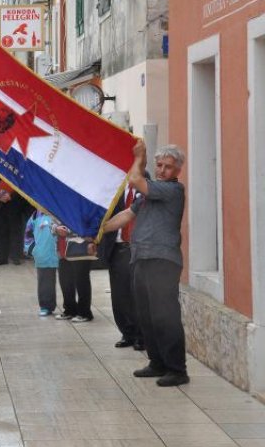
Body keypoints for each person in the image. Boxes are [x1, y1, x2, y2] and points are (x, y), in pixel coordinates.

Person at [104, 140, 188, 387]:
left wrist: (139, 158)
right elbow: (127, 215)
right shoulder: (147, 194)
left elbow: (135, 181)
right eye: (159, 165)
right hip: (140, 257)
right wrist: (99, 230)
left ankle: (177, 369)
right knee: (146, 315)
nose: (162, 170)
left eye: (168, 167)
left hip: (163, 260)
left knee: (166, 315)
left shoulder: (173, 190)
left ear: (177, 171)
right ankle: (156, 362)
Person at [98, 183, 144, 350]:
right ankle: (127, 333)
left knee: (136, 294)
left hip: (136, 248)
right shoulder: (114, 184)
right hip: (116, 247)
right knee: (119, 295)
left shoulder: (144, 185)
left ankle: (141, 335)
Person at [54, 224, 94, 322]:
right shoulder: (61, 208)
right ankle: (70, 310)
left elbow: (94, 222)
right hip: (64, 247)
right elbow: (52, 220)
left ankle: (84, 313)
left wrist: (93, 240)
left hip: (81, 246)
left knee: (81, 281)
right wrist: (55, 229)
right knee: (65, 281)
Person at [29, 210, 58, 316]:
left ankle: (71, 307)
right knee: (45, 281)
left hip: (64, 252)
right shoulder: (36, 215)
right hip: (44, 253)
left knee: (69, 281)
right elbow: (28, 232)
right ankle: (46, 306)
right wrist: (32, 249)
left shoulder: (60, 210)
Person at [0, 181, 25, 265]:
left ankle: (15, 257)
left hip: (14, 211)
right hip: (1, 211)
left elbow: (23, 194)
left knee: (15, 234)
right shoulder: (0, 177)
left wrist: (10, 196)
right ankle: (3, 258)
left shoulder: (16, 178)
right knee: (2, 235)